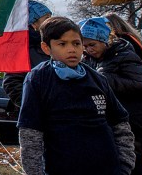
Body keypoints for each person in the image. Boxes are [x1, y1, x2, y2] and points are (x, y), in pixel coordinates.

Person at [18, 16, 135, 175]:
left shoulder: (98, 80)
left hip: (108, 168)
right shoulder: (38, 80)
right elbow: (30, 133)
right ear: (46, 48)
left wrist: (124, 166)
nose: (71, 49)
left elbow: (120, 125)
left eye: (76, 43)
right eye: (62, 44)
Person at [80, 16, 142, 175]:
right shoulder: (89, 60)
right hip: (110, 119)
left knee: (131, 163)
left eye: (92, 45)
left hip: (134, 119)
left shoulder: (124, 54)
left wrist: (105, 81)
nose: (89, 49)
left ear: (104, 40)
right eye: (85, 46)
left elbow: (141, 85)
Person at [2, 0, 52, 107]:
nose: (51, 21)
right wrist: (33, 106)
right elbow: (12, 83)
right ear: (33, 23)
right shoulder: (21, 49)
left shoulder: (53, 44)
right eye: (47, 18)